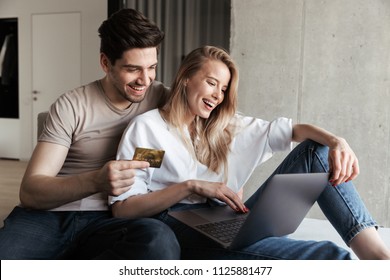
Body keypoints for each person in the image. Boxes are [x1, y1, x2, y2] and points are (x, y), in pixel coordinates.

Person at [109, 45, 390, 260]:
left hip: (224, 219)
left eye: (224, 88)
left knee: (316, 151)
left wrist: (337, 141)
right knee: (330, 256)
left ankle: (377, 256)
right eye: (211, 82)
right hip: (175, 223)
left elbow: (294, 131)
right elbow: (124, 208)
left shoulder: (224, 126)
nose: (218, 95)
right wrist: (190, 187)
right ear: (185, 79)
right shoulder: (150, 131)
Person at [0, 8, 180, 260]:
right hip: (51, 216)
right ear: (106, 63)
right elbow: (30, 191)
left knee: (158, 240)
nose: (145, 79)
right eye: (133, 69)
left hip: (112, 219)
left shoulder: (163, 99)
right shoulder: (71, 106)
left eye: (152, 67)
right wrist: (97, 181)